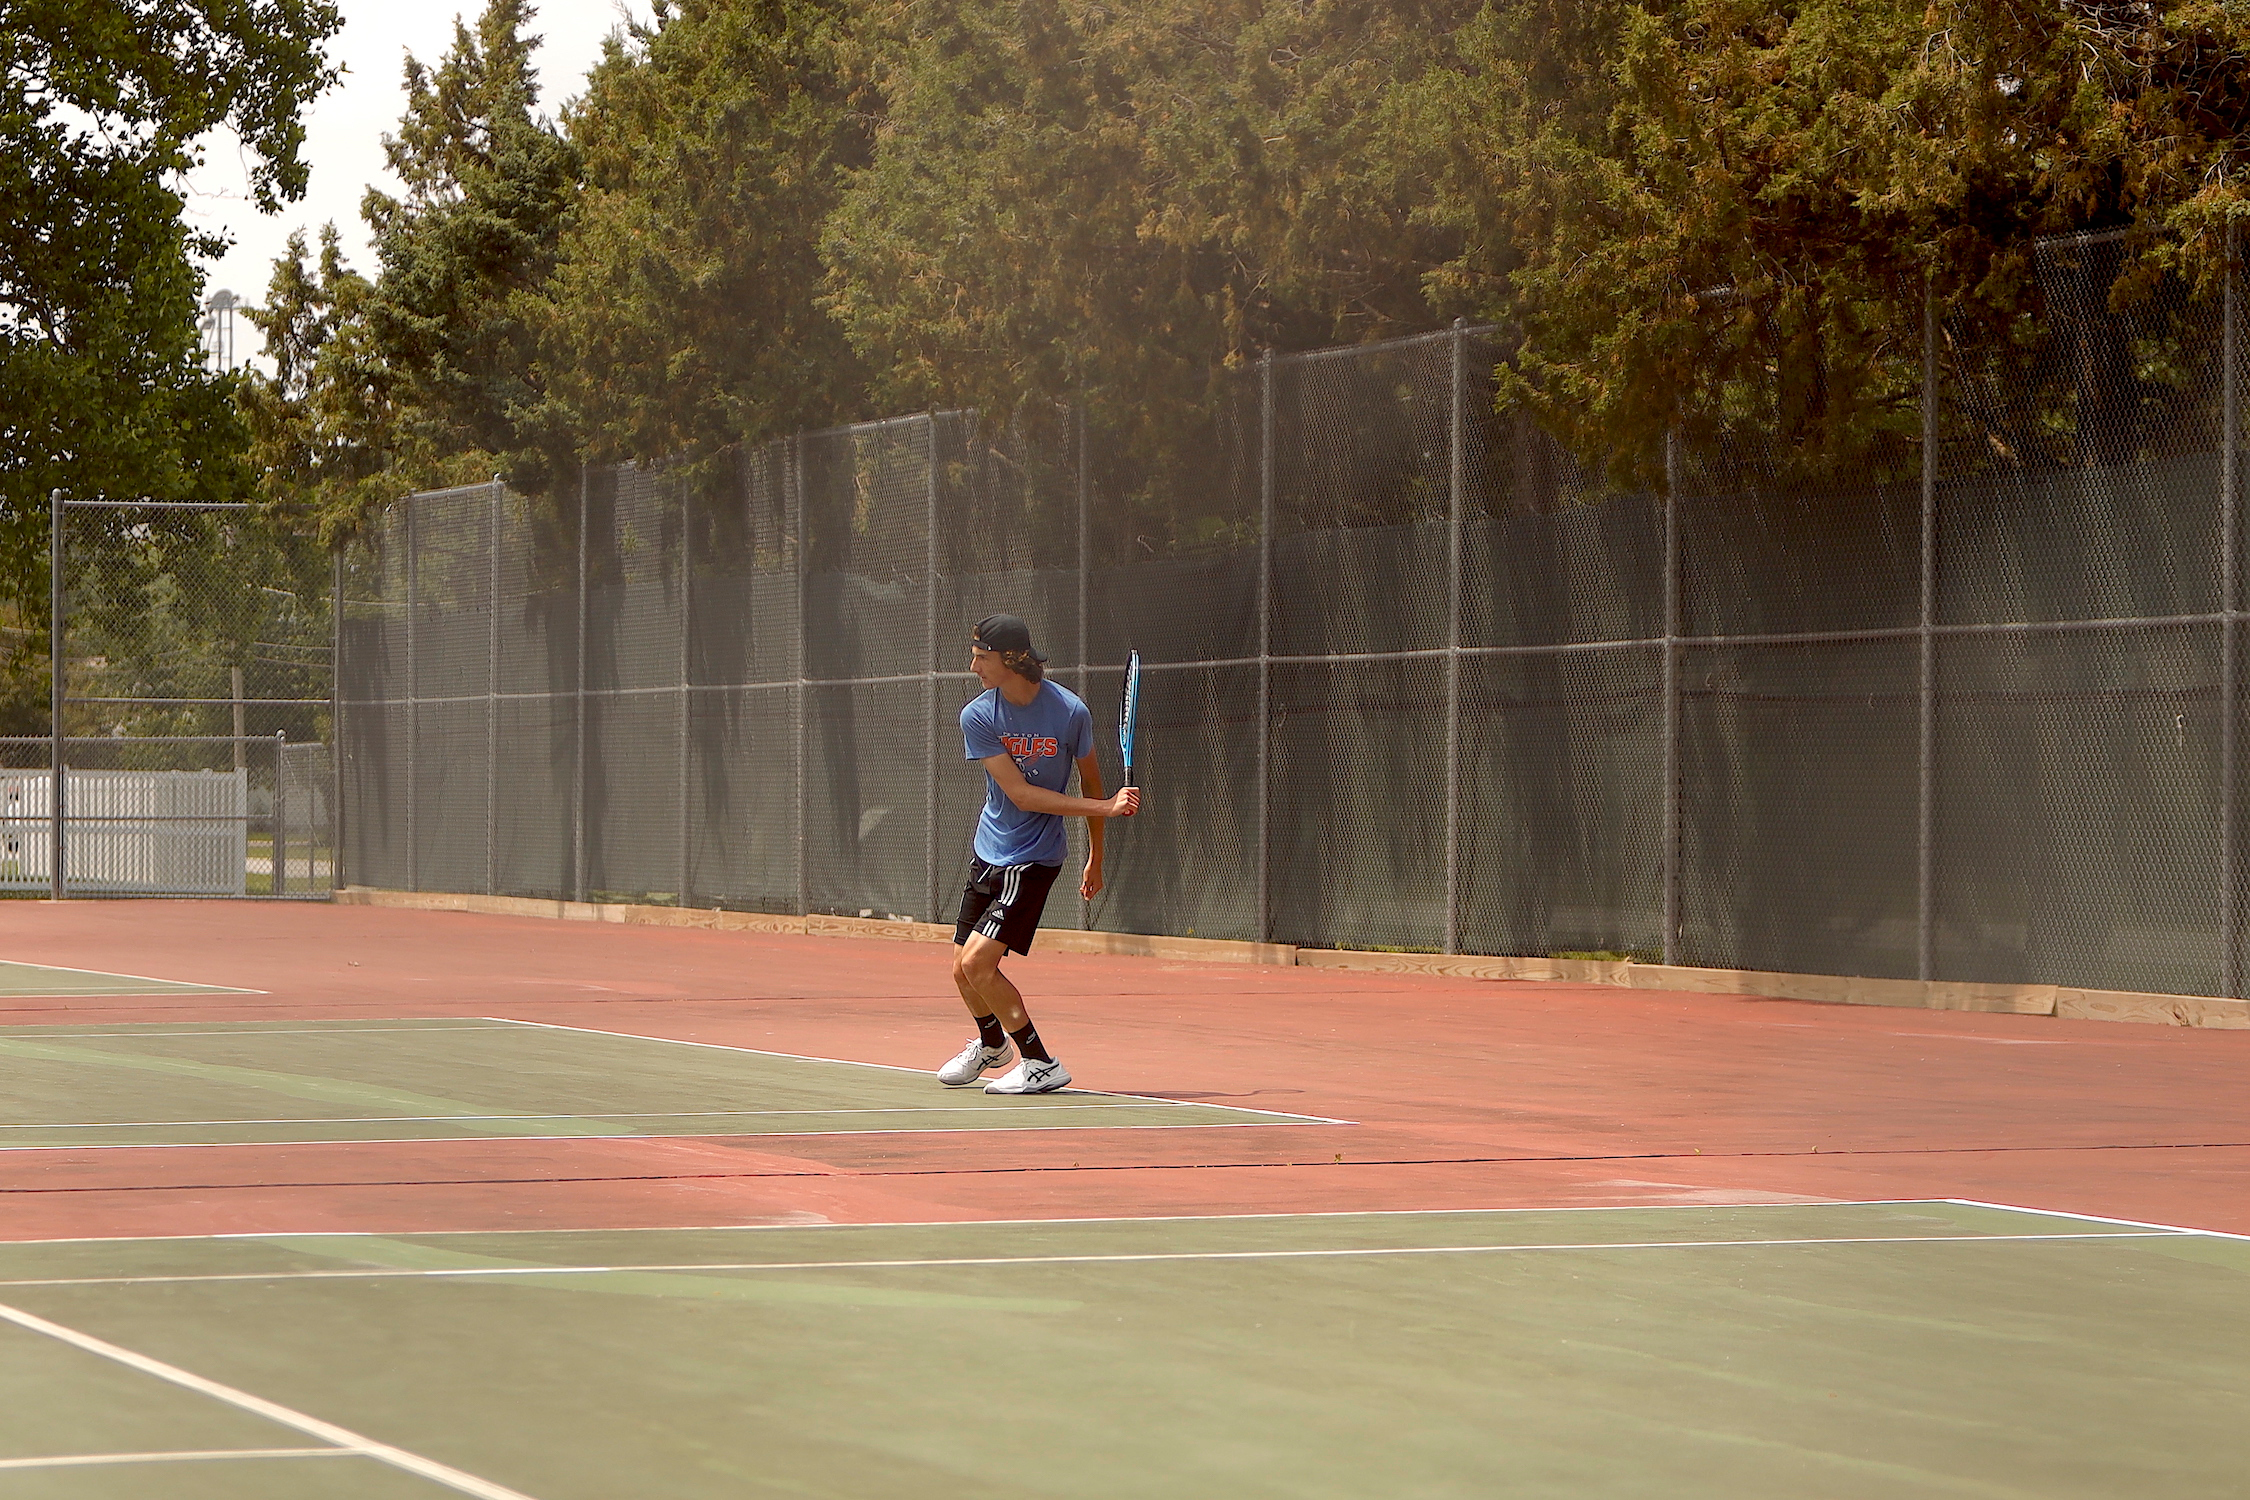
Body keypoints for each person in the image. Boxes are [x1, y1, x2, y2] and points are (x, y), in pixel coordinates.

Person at [939, 614, 1139, 1093]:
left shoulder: (1070, 712)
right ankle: (992, 1045)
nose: (973, 667)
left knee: (978, 965)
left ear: (1010, 659)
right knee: (961, 970)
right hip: (989, 849)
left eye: (981, 657)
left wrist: (1097, 856)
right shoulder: (978, 716)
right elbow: (1022, 794)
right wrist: (1106, 807)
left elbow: (1091, 780)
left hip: (1034, 858)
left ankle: (1040, 1063)